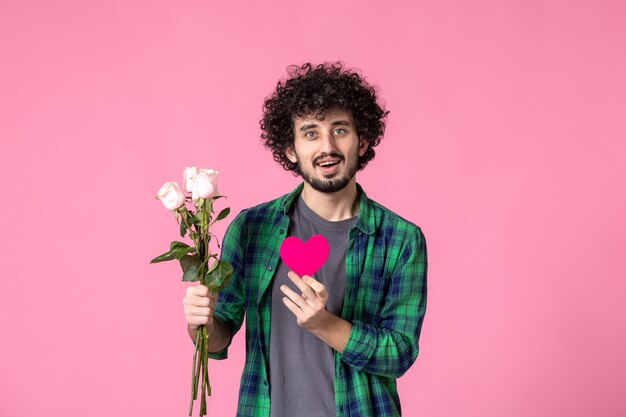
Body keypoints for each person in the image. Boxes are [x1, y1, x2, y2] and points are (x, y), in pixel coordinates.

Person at [183, 62, 427, 417]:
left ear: (364, 140)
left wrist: (325, 325)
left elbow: (400, 353)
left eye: (340, 129)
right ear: (290, 149)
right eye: (311, 133)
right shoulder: (251, 229)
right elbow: (219, 341)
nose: (327, 146)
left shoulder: (401, 240)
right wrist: (199, 324)